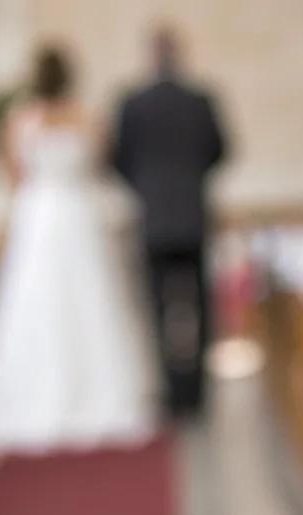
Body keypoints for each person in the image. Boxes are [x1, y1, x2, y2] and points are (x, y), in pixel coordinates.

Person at [0, 45, 156, 454]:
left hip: (39, 217)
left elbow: (13, 175)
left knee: (35, 305)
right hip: (77, 214)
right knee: (90, 303)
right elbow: (99, 166)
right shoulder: (87, 118)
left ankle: (31, 400)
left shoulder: (18, 121)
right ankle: (100, 396)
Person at [112, 27, 227, 416]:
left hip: (155, 217)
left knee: (160, 305)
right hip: (192, 214)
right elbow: (219, 150)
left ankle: (170, 388)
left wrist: (147, 187)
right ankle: (197, 389)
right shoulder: (200, 100)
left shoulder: (133, 103)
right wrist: (190, 180)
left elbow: (119, 159)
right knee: (199, 304)